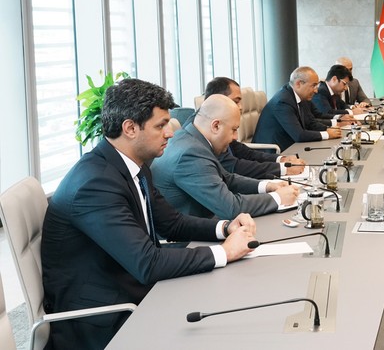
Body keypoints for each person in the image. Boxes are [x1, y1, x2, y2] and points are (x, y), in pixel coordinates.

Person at [41, 79, 257, 350]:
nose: (170, 133)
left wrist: (225, 228)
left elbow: (172, 223)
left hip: (132, 288)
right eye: (160, 125)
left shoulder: (134, 166)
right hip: (103, 318)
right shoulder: (94, 184)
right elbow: (147, 263)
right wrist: (224, 252)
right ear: (130, 128)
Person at [152, 95, 299, 219]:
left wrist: (267, 186)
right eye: (233, 130)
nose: (235, 137)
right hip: (190, 239)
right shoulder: (190, 154)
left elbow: (226, 178)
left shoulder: (190, 137)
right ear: (215, 126)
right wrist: (278, 198)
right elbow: (231, 208)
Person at [200, 77, 305, 180]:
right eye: (236, 101)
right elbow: (233, 167)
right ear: (218, 99)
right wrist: (283, 169)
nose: (241, 107)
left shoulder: (217, 123)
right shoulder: (202, 134)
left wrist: (281, 159)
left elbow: (244, 152)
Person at [253, 66, 344, 151]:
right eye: (313, 85)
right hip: (273, 151)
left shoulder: (301, 96)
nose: (316, 90)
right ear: (298, 84)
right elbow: (299, 135)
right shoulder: (283, 101)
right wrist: (327, 134)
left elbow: (310, 122)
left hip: (290, 146)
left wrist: (328, 129)